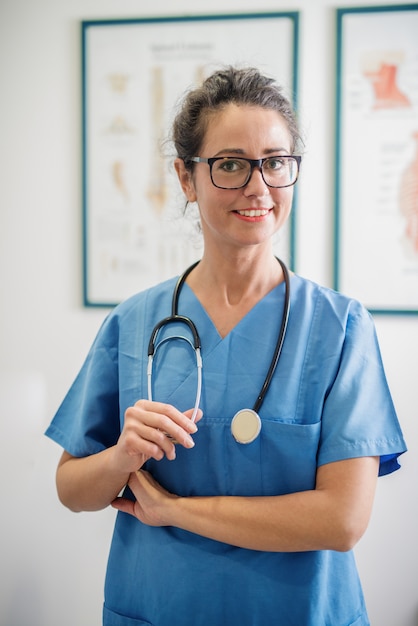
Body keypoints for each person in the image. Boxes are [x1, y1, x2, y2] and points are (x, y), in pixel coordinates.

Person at [46, 66, 407, 626]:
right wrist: (121, 457)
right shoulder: (134, 322)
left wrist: (176, 511)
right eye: (231, 164)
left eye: (276, 162)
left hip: (299, 611)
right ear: (187, 179)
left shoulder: (339, 327)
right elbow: (72, 488)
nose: (258, 187)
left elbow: (342, 520)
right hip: (159, 607)